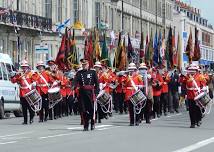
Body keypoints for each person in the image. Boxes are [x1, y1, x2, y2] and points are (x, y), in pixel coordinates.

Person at [73, 59, 99, 131]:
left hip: (91, 93)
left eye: (85, 64)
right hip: (82, 93)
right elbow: (75, 81)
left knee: (91, 109)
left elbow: (97, 83)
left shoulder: (93, 72)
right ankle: (85, 125)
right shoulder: (79, 73)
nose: (84, 66)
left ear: (88, 64)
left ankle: (92, 123)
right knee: (83, 110)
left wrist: (96, 92)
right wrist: (73, 86)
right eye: (83, 65)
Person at [10, 60, 35, 124]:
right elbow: (13, 81)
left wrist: (34, 82)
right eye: (23, 67)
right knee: (24, 108)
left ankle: (31, 118)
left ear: (27, 67)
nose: (24, 68)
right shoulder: (19, 74)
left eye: (25, 67)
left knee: (30, 107)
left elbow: (35, 80)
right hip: (22, 93)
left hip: (29, 92)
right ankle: (25, 121)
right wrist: (12, 76)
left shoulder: (30, 73)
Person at [185, 64, 207, 128]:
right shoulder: (187, 76)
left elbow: (204, 83)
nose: (192, 71)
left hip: (198, 95)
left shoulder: (200, 76)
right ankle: (192, 123)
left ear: (196, 70)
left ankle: (199, 120)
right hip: (190, 95)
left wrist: (203, 89)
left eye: (193, 70)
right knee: (191, 110)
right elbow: (184, 83)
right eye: (191, 70)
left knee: (198, 109)